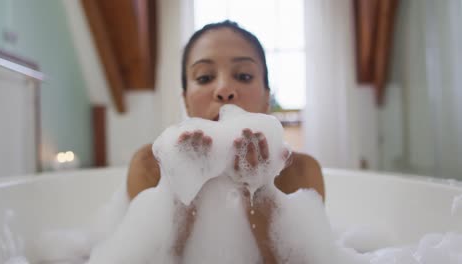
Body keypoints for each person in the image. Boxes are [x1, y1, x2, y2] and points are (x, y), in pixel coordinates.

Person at [125, 20, 325, 263]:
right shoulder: (150, 165)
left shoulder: (299, 171)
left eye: (243, 75)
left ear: (266, 98)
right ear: (186, 100)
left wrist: (260, 190)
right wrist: (184, 189)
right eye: (205, 77)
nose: (224, 89)